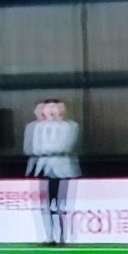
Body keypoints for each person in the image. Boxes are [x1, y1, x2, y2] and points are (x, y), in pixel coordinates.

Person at [34, 99, 81, 245]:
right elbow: (36, 148)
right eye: (48, 108)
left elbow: (64, 147)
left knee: (62, 206)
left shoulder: (70, 126)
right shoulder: (39, 127)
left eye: (54, 107)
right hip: (45, 170)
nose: (52, 111)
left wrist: (48, 150)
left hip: (64, 170)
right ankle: (49, 237)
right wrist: (48, 150)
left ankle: (63, 236)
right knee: (46, 206)